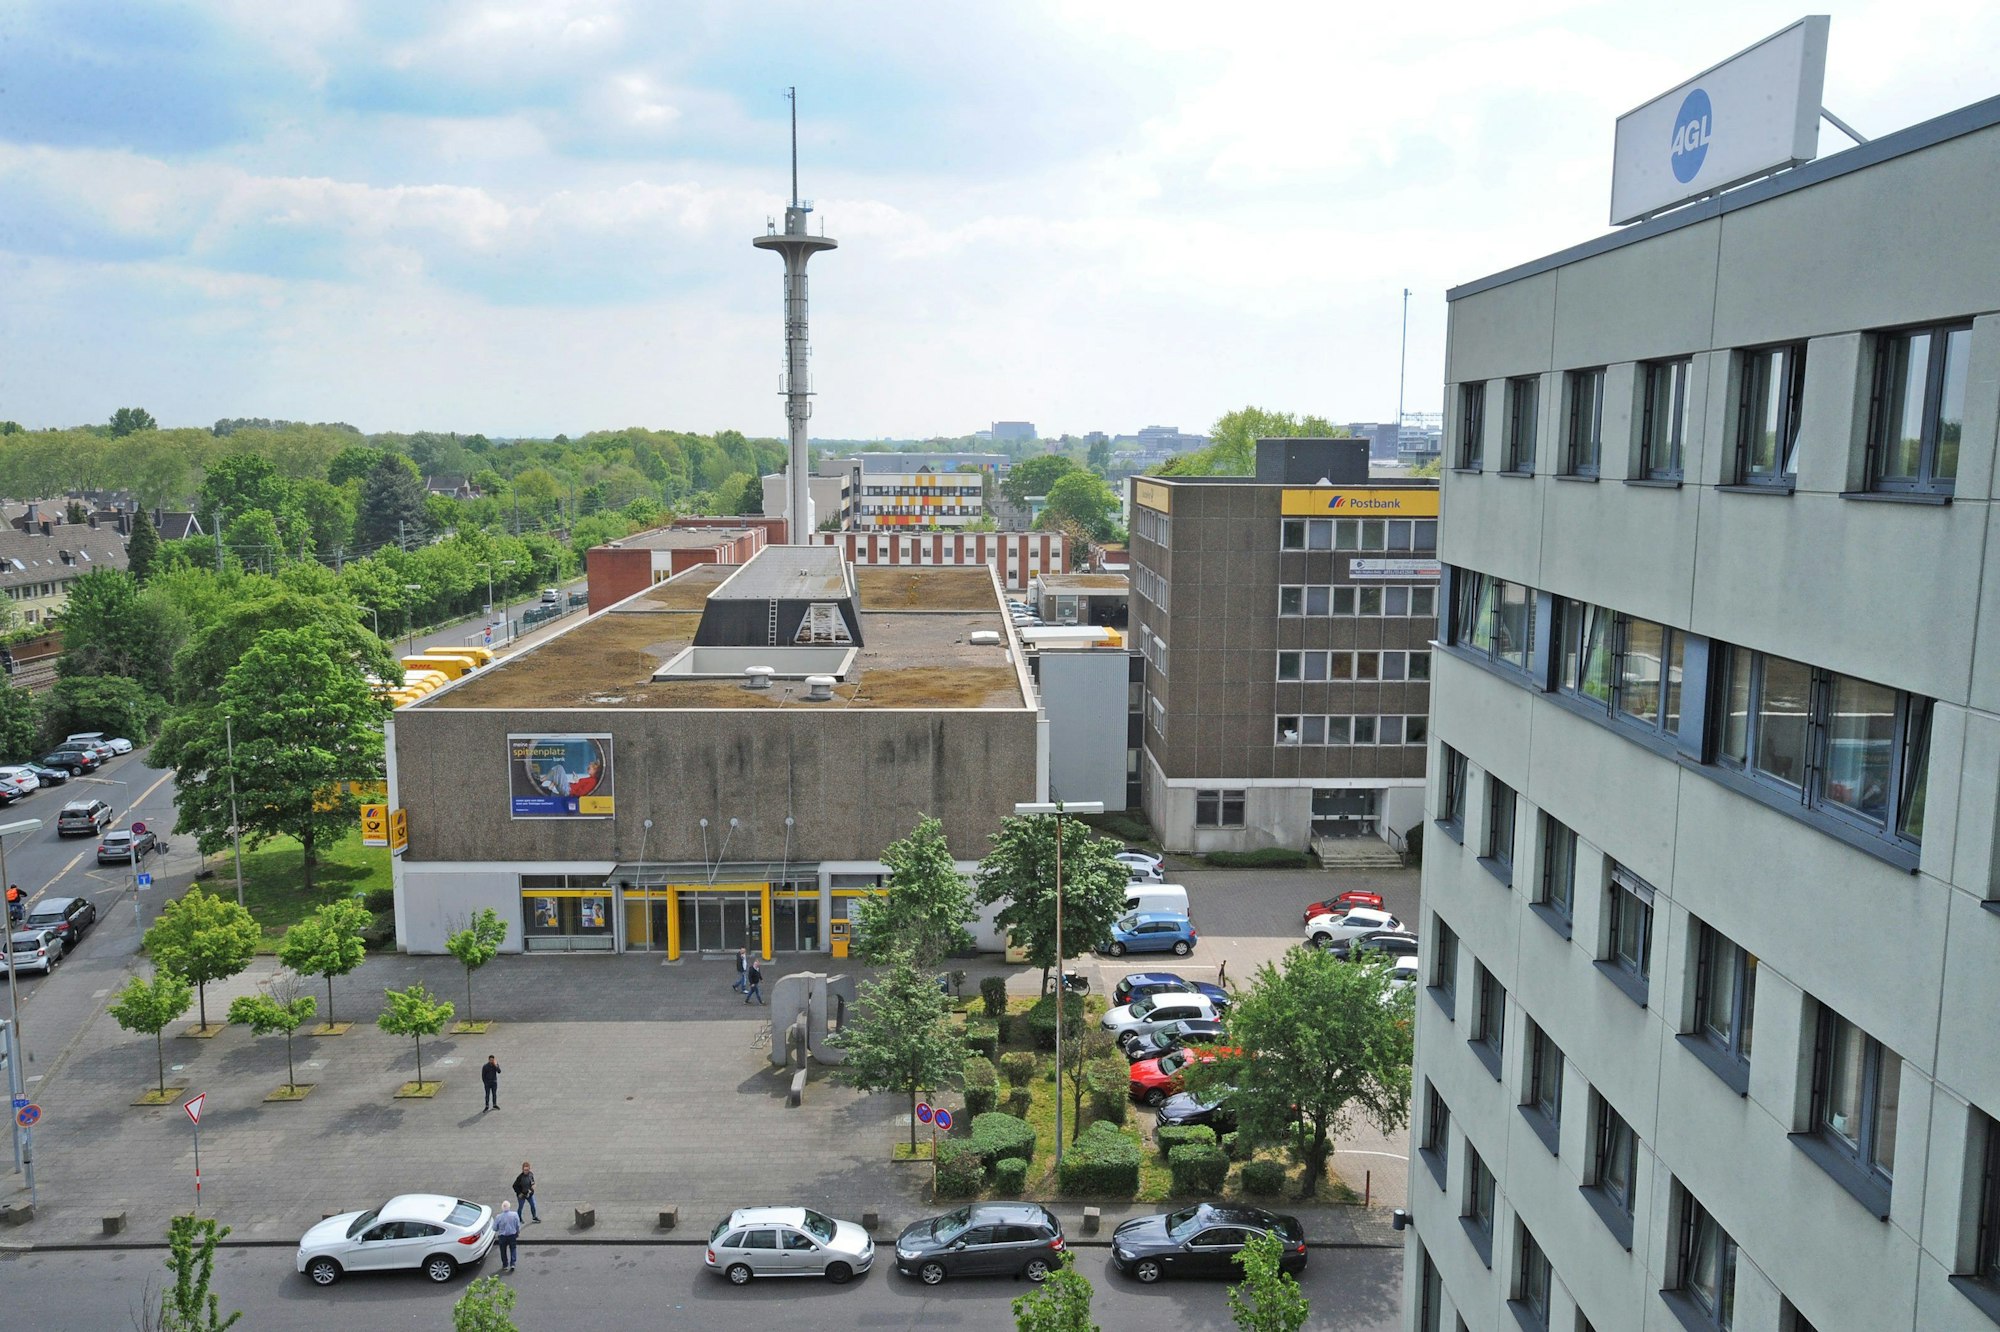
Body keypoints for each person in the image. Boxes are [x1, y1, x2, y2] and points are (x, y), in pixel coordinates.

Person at [493, 1199, 521, 1273]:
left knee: (503, 1251)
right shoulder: (514, 1214)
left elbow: (494, 1228)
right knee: (513, 1248)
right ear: (509, 1207)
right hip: (512, 1235)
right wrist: (518, 1232)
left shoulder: (498, 1217)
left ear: (502, 1208)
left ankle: (505, 1265)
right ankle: (513, 1263)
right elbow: (518, 1225)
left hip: (502, 1236)